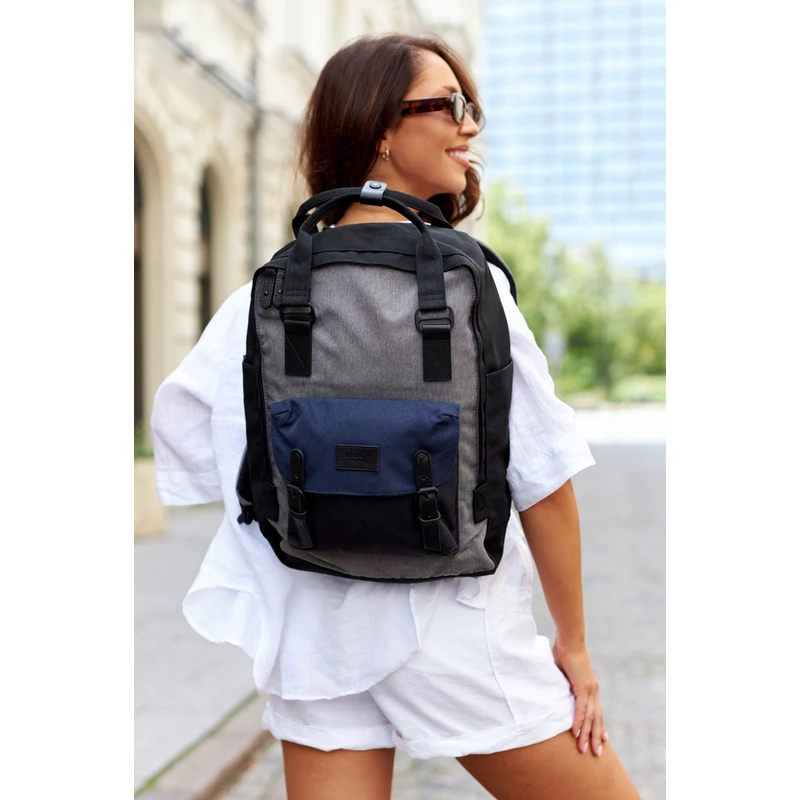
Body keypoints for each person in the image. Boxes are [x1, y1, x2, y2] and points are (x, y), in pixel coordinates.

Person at [151, 32, 640, 800]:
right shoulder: (469, 287)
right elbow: (545, 481)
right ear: (380, 127)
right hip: (452, 633)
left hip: (314, 632)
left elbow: (184, 433)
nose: (469, 124)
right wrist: (573, 646)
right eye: (448, 105)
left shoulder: (263, 295)